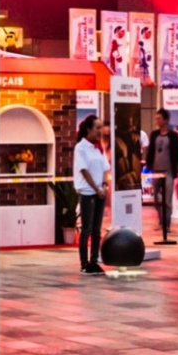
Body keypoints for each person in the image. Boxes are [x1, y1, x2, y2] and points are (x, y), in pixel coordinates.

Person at [73, 114, 107, 275]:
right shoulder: (81, 148)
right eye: (97, 128)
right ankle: (84, 263)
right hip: (88, 193)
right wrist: (96, 188)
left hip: (100, 193)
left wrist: (104, 186)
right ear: (88, 129)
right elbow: (84, 170)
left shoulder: (98, 147)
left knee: (96, 229)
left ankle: (94, 260)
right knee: (86, 229)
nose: (100, 131)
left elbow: (105, 169)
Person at [146, 114, 178, 245]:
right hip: (156, 171)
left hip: (169, 171)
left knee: (167, 199)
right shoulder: (154, 134)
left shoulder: (173, 136)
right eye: (156, 118)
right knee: (155, 199)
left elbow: (177, 153)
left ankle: (166, 225)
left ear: (166, 120)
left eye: (159, 118)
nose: (157, 121)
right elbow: (150, 152)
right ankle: (161, 221)